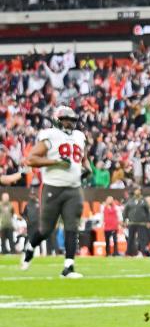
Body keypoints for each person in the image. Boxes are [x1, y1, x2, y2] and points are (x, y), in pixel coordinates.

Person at [21, 106, 91, 278]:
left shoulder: (79, 137)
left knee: (72, 227)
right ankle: (30, 247)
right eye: (67, 119)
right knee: (46, 230)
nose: (71, 123)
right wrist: (56, 162)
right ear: (58, 120)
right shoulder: (49, 135)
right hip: (53, 187)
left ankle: (68, 267)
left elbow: (84, 159)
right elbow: (31, 159)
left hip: (74, 188)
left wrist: (87, 169)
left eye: (73, 120)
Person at [124, 188, 150, 257]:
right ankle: (129, 253)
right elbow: (125, 211)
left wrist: (148, 221)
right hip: (132, 222)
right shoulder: (130, 200)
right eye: (136, 190)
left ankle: (143, 252)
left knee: (142, 238)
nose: (137, 191)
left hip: (141, 223)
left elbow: (148, 211)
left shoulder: (143, 200)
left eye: (138, 190)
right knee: (130, 238)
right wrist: (125, 219)